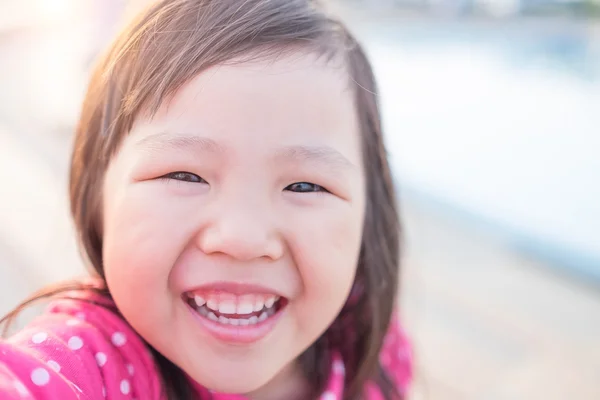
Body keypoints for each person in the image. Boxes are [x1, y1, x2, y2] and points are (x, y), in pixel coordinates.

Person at [0, 0, 412, 398]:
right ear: (97, 198)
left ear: (368, 217)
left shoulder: (373, 345)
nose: (242, 239)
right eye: (184, 175)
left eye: (303, 187)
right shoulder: (92, 366)